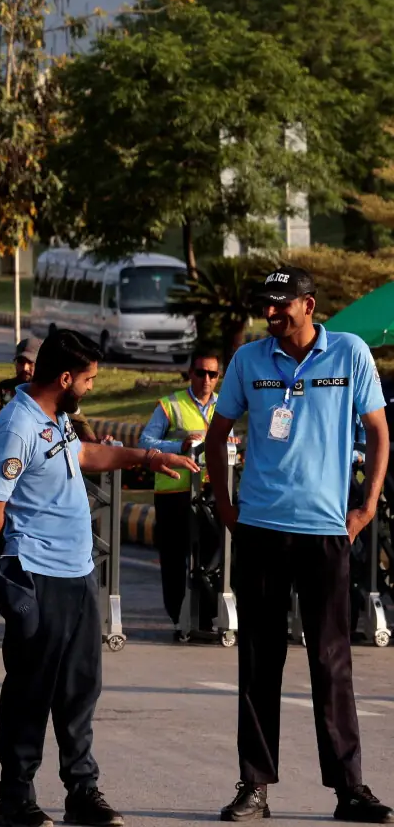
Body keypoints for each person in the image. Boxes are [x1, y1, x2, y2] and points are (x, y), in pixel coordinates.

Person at [0, 328, 192, 827]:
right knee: (31, 691)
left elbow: (84, 456)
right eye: (89, 379)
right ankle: (17, 799)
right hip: (37, 575)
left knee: (79, 690)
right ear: (65, 377)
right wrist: (7, 567)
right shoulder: (17, 426)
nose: (92, 388)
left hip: (78, 573)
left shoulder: (58, 418)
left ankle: (82, 791)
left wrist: (148, 457)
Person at [204, 267, 391, 823]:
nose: (271, 314)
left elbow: (379, 432)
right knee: (260, 659)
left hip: (326, 532)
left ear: (309, 305)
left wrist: (367, 505)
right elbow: (219, 436)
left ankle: (349, 789)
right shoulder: (248, 360)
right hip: (261, 530)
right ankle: (254, 786)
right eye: (266, 305)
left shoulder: (350, 354)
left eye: (282, 305)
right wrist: (225, 505)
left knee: (332, 661)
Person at [138, 347, 226, 630]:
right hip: (174, 492)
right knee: (175, 558)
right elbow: (145, 442)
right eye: (201, 373)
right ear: (190, 373)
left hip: (212, 492)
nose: (206, 379)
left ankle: (207, 615)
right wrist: (180, 447)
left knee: (212, 555)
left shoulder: (224, 407)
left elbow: (231, 442)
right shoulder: (170, 405)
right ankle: (179, 614)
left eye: (212, 374)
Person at [0, 337, 95, 443]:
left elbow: (78, 420)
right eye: (21, 362)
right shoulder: (3, 390)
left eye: (30, 363)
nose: (25, 368)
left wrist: (94, 441)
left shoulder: (55, 391)